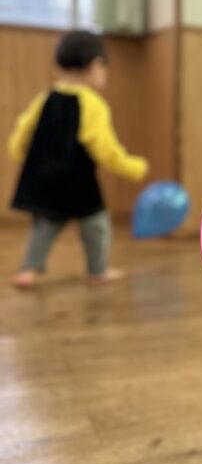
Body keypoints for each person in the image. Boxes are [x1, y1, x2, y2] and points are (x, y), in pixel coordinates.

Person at [7, 30, 149, 288]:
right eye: (104, 68)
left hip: (46, 178)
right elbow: (105, 149)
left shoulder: (45, 97)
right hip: (78, 180)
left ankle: (28, 269)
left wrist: (18, 154)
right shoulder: (93, 105)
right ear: (95, 65)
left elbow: (23, 130)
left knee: (45, 225)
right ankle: (98, 270)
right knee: (96, 225)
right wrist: (133, 167)